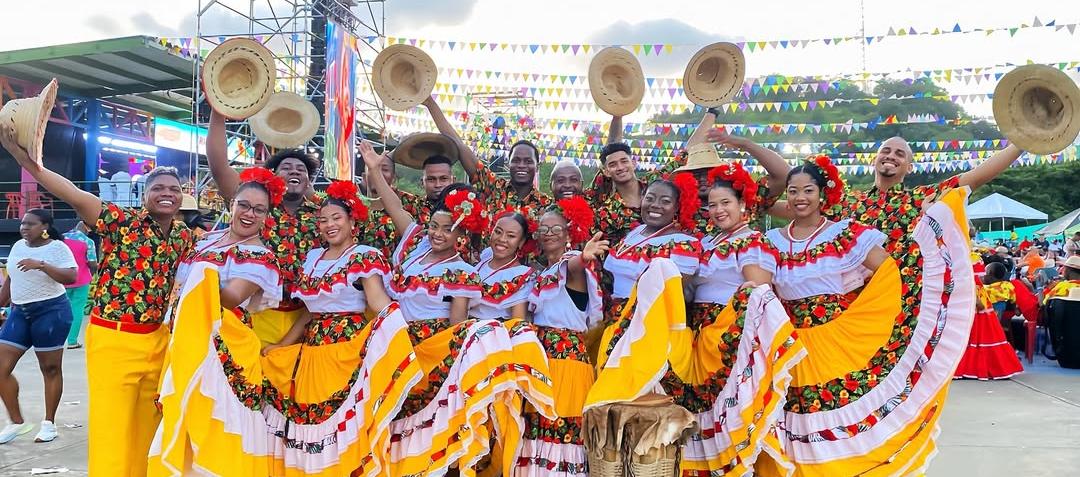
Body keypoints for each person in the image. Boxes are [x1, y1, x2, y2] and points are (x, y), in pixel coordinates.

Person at [759, 156, 975, 476]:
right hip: (790, 344)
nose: (799, 197)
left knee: (831, 417)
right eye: (792, 191)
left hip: (837, 342)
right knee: (791, 419)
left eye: (808, 190)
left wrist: (860, 309)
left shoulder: (846, 234)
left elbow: (891, 271)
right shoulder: (772, 241)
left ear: (823, 194)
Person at [3, 124, 193, 476]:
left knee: (150, 423)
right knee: (112, 426)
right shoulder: (120, 220)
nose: (167, 193)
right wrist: (26, 162)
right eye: (158, 188)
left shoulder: (183, 235)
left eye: (175, 189)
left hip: (157, 340)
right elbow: (73, 193)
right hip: (114, 338)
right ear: (144, 193)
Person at [361, 141, 528, 475]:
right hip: (393, 343)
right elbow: (393, 204)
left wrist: (446, 372)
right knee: (390, 423)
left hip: (430, 353)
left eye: (447, 229)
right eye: (434, 226)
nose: (438, 233)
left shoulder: (461, 273)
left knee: (426, 429)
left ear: (461, 232)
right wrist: (374, 168)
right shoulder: (413, 245)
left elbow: (457, 326)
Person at [258, 180, 422, 476]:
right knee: (310, 422)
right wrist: (282, 345)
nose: (329, 225)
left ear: (352, 221)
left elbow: (378, 301)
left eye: (336, 218)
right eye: (323, 220)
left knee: (342, 425)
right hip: (312, 351)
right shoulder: (312, 259)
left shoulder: (364, 255)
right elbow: (308, 313)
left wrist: (400, 339)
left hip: (348, 348)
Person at [665, 162, 804, 475]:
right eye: (712, 204)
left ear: (743, 205)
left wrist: (729, 331)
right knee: (700, 414)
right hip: (701, 336)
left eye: (725, 203)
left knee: (733, 414)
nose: (717, 210)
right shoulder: (705, 244)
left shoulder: (753, 241)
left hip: (730, 338)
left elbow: (759, 295)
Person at [149, 168, 284, 474]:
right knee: (185, 420)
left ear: (266, 217)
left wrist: (201, 275)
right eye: (244, 205)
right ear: (231, 204)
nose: (250, 214)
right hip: (185, 341)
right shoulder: (204, 242)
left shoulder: (260, 256)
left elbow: (232, 297)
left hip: (226, 349)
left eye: (259, 210)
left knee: (216, 423)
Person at [208, 109, 322, 347]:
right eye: (286, 168)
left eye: (301, 170)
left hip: (304, 318)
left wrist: (315, 197)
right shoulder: (257, 207)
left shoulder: (323, 216)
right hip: (255, 311)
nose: (294, 171)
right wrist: (218, 112)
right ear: (273, 177)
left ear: (308, 180)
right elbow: (219, 168)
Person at [518, 197, 607, 475]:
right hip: (542, 358)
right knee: (537, 429)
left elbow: (574, 266)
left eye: (556, 229)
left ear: (569, 233)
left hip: (566, 361)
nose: (549, 235)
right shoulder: (540, 273)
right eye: (543, 230)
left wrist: (584, 255)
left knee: (559, 431)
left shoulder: (570, 265)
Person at [598, 176, 702, 361]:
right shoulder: (634, 233)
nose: (655, 205)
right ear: (642, 198)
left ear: (676, 207)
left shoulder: (684, 243)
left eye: (665, 201)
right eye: (650, 198)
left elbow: (672, 293)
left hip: (647, 326)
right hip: (615, 320)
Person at [0, 209, 77, 444]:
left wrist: (41, 265)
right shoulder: (17, 246)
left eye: (30, 224)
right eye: (23, 224)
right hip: (20, 312)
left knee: (50, 369)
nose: (24, 228)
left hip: (51, 312)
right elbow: (11, 279)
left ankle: (49, 423)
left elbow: (71, 277)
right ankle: (16, 422)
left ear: (44, 227)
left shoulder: (57, 248)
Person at [423, 97, 550, 220]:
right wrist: (430, 103)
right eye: (516, 160)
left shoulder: (547, 205)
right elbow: (457, 143)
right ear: (509, 163)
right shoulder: (493, 187)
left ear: (537, 166)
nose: (521, 165)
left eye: (528, 161)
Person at [955, 259, 1024, 380]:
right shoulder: (1006, 286)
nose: (983, 276)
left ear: (990, 273)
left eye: (985, 273)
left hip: (982, 310)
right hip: (989, 311)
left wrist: (975, 297)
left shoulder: (990, 288)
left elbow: (973, 286)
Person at [62, 221, 97, 349]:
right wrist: (91, 274)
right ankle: (72, 341)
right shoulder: (88, 242)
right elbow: (93, 263)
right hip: (81, 280)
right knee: (77, 310)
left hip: (61, 279)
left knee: (59, 309)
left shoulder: (61, 238)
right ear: (87, 229)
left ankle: (56, 339)